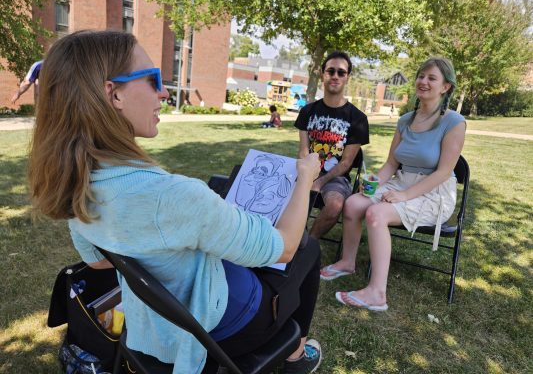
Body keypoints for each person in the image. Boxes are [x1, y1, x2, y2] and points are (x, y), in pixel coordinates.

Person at [28, 30, 324, 374]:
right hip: (218, 327)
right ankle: (295, 354)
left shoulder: (76, 186)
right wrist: (304, 178)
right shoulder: (173, 196)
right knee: (308, 248)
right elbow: (284, 248)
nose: (164, 92)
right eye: (153, 79)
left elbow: (96, 262)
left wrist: (175, 241)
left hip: (155, 324)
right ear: (114, 94)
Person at [325, 57, 466, 311]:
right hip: (401, 183)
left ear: (445, 87)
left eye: (431, 78)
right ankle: (347, 262)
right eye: (421, 76)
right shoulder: (405, 120)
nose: (423, 82)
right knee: (354, 203)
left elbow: (445, 172)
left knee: (376, 214)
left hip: (434, 193)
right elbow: (391, 163)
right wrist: (374, 180)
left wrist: (405, 195)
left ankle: (377, 293)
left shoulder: (454, 122)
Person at [294, 51, 369, 247]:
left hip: (335, 177)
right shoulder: (307, 112)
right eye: (331, 71)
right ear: (323, 75)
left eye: (341, 73)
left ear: (347, 78)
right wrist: (307, 177)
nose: (335, 76)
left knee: (335, 205)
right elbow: (303, 151)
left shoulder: (358, 118)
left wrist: (320, 181)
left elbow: (346, 162)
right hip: (306, 170)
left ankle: (306, 244)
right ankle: (287, 235)